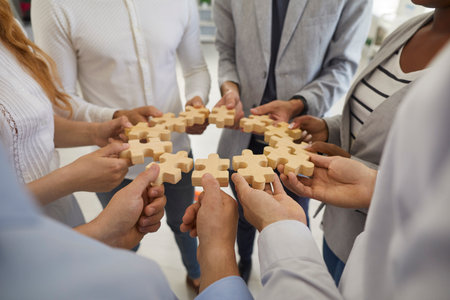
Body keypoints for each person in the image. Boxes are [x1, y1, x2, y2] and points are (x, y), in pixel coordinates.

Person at [182, 41, 450, 298]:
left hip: (376, 246)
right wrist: (372, 182)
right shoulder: (408, 31)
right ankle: (247, 259)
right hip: (347, 220)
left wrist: (218, 250)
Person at [31, 0, 211, 290]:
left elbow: (195, 68)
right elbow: (60, 100)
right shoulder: (53, 5)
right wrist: (112, 117)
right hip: (115, 160)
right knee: (124, 241)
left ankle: (196, 272)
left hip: (176, 148)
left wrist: (197, 100)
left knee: (185, 221)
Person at [280, 2, 450, 284]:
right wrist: (328, 128)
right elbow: (373, 118)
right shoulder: (410, 29)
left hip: (395, 254)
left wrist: (371, 180)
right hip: (340, 229)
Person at [213, 0, 373, 282]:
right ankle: (245, 261)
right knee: (242, 213)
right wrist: (230, 88)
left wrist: (299, 103)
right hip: (241, 133)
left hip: (297, 135)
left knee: (293, 215)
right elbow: (226, 50)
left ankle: (291, 278)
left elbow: (342, 65)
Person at [0, 0, 165, 244]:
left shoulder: (8, 25)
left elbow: (28, 127)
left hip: (62, 217)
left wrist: (97, 131)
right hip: (19, 249)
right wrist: (73, 179)